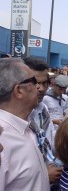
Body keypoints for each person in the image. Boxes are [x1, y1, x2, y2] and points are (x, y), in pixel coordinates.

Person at [0, 58, 49, 190]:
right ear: (19, 91)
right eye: (34, 81)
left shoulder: (26, 126)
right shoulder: (3, 139)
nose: (39, 87)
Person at [23, 57, 63, 188]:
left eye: (44, 83)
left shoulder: (43, 109)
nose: (41, 88)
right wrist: (44, 174)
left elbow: (50, 143)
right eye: (35, 83)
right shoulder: (13, 117)